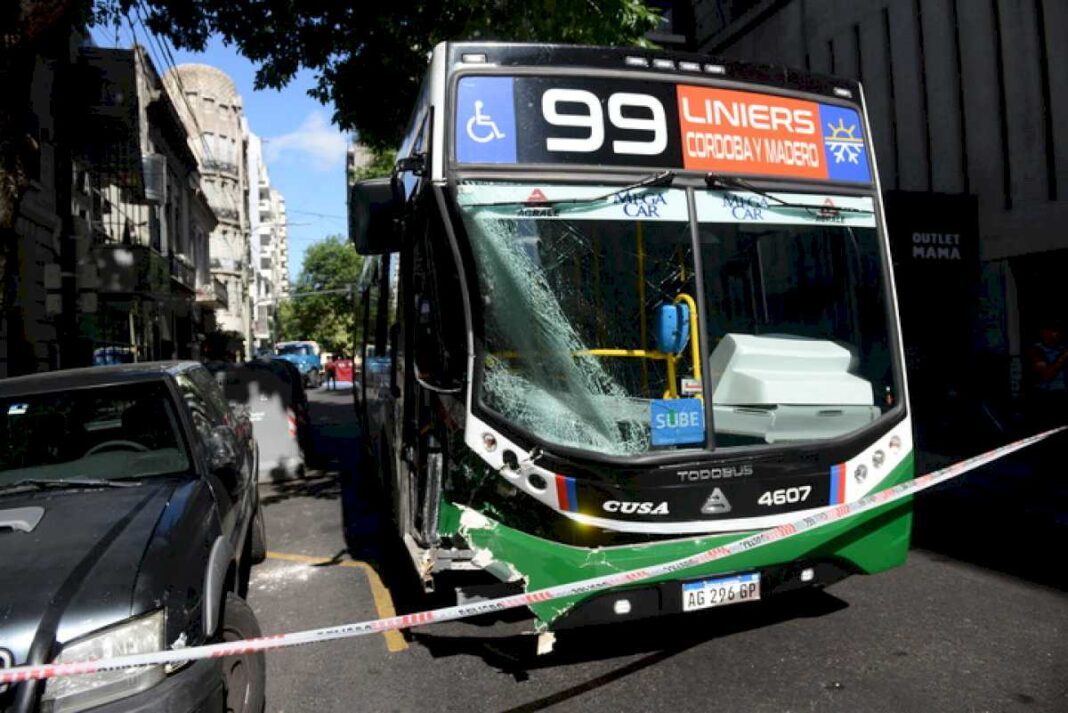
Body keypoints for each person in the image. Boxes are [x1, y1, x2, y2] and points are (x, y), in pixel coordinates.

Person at [1024, 318, 1068, 427]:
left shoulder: (1061, 348)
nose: (1056, 334)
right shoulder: (1035, 350)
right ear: (1044, 332)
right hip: (1046, 398)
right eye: (1053, 331)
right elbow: (1046, 375)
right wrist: (1064, 356)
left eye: (1057, 331)